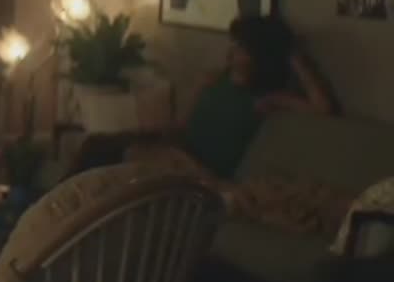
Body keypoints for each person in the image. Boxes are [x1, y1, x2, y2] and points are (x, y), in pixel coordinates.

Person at [70, 14, 337, 182]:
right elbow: (181, 126)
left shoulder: (266, 98)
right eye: (234, 43)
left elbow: (322, 109)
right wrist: (147, 136)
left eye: (241, 47)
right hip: (175, 151)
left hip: (201, 170)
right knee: (97, 146)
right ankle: (55, 216)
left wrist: (294, 57)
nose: (232, 51)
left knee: (121, 162)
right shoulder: (213, 78)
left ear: (259, 55)